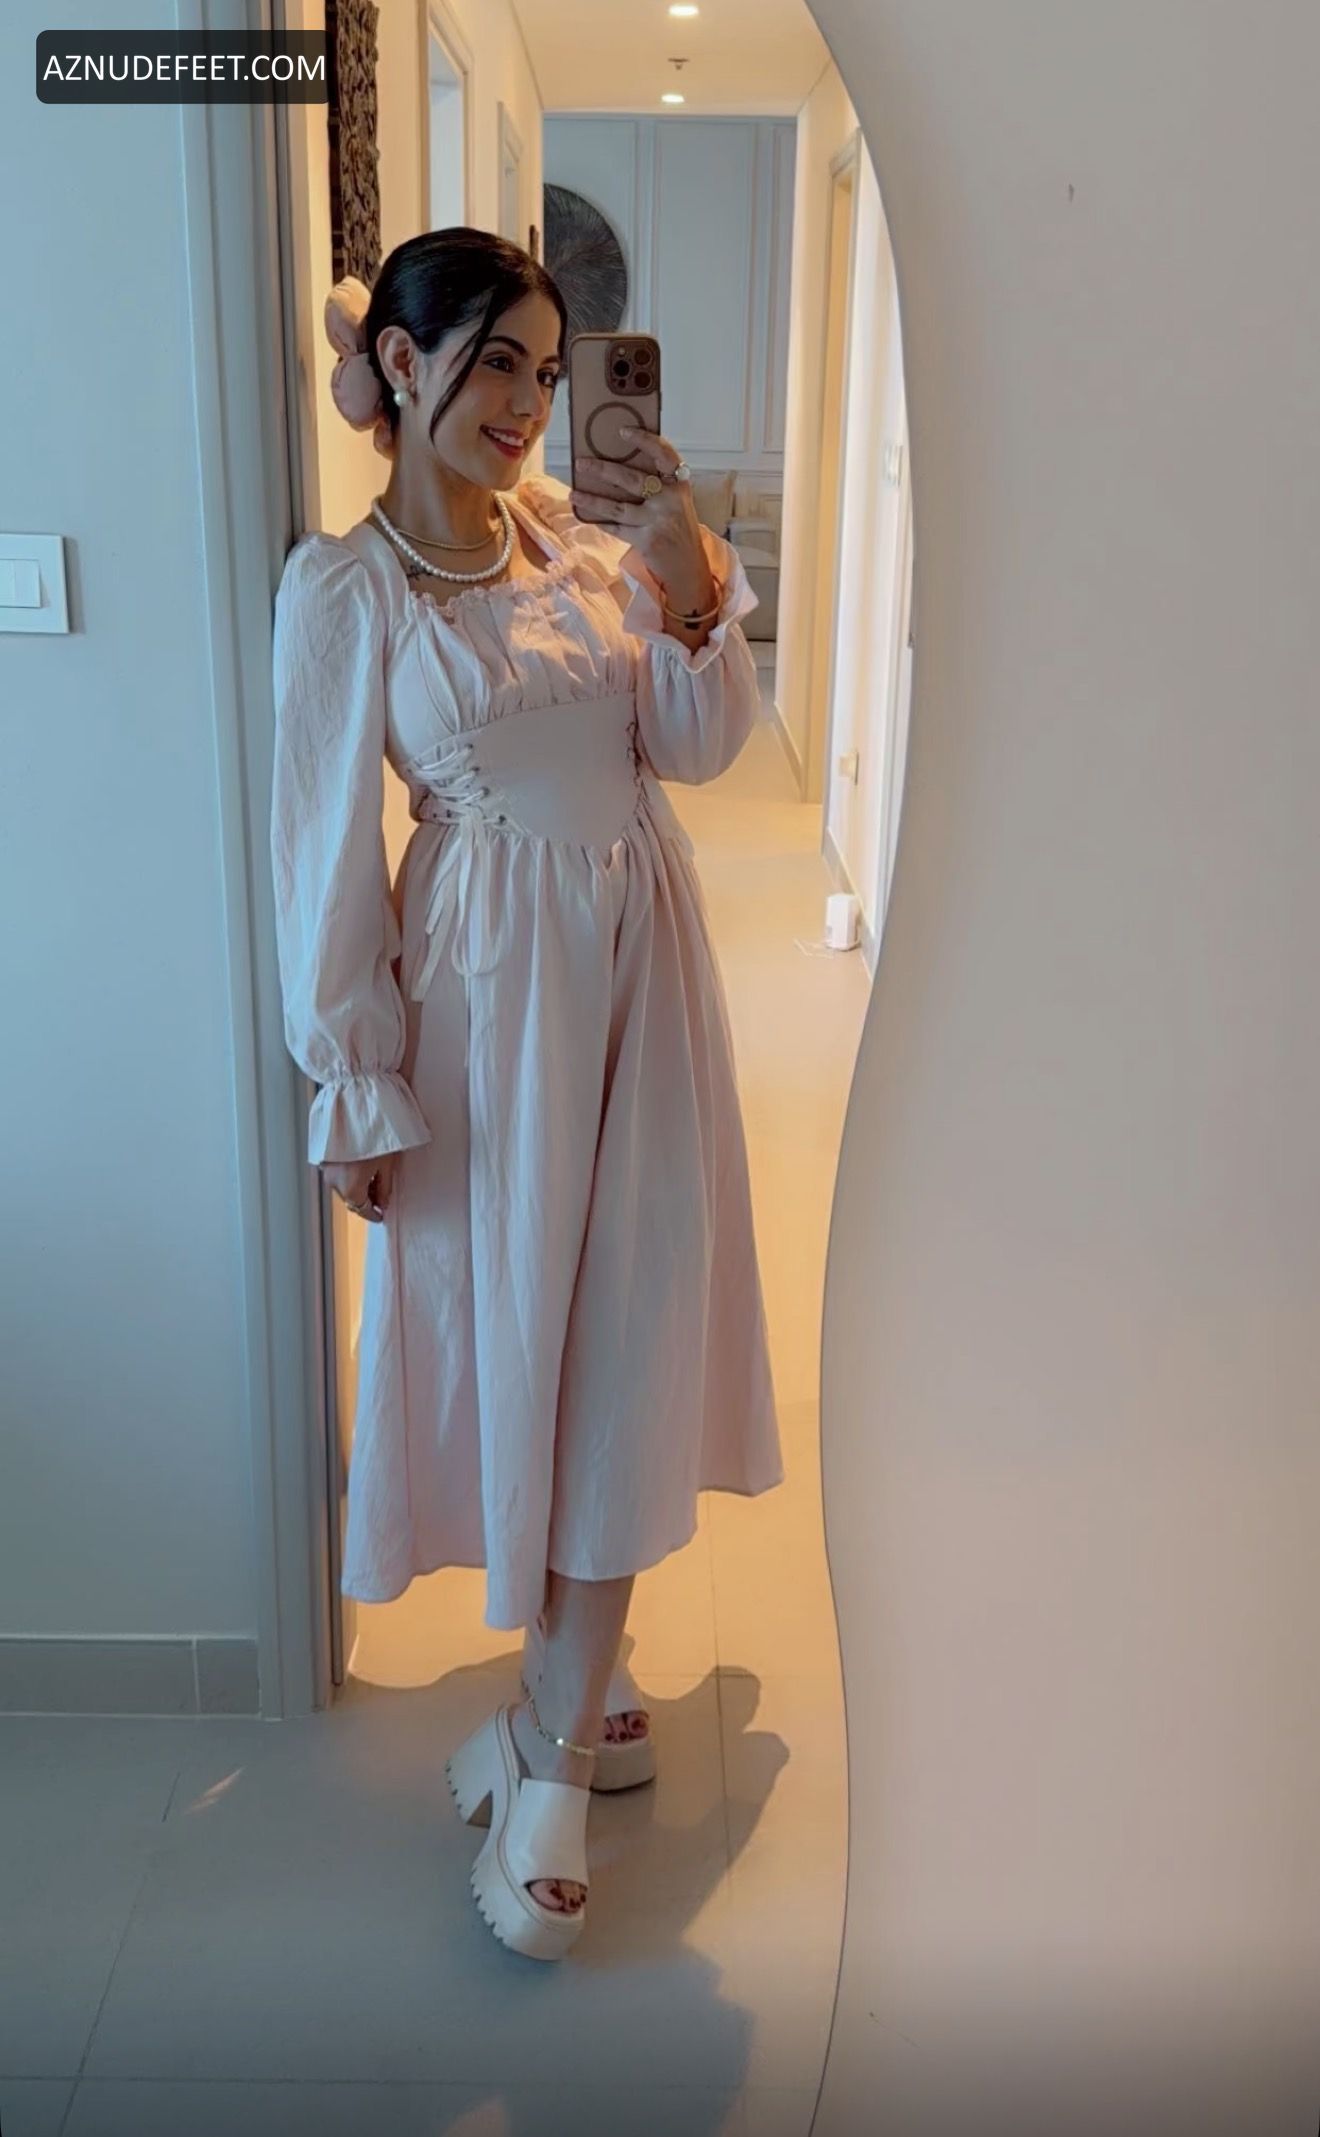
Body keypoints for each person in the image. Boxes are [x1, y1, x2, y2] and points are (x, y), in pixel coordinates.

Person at [270, 227, 784, 1960]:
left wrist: (686, 571)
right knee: (524, 1336)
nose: (530, 405)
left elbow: (693, 747)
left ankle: (555, 1726)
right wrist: (354, 1074)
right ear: (402, 363)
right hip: (490, 999)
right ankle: (567, 1698)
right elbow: (320, 855)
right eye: (499, 361)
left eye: (550, 375)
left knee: (632, 1318)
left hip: (643, 959)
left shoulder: (575, 535)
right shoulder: (347, 593)